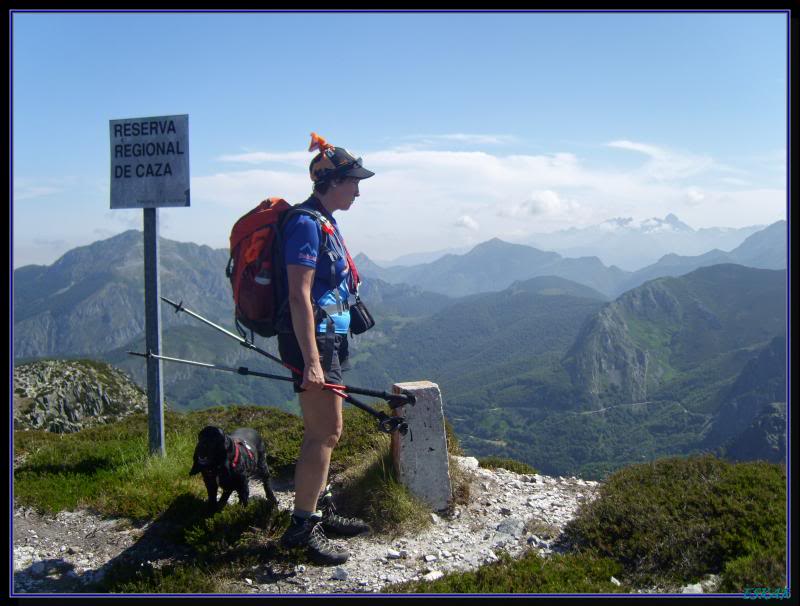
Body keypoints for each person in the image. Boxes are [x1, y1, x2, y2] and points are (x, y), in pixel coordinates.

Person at [277, 133, 374, 565]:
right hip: (313, 342)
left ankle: (322, 508)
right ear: (331, 181)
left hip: (329, 337)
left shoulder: (325, 221)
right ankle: (302, 527)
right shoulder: (305, 224)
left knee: (330, 433)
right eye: (353, 180)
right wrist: (313, 362)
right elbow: (298, 295)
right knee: (323, 433)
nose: (358, 188)